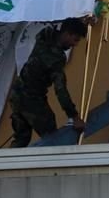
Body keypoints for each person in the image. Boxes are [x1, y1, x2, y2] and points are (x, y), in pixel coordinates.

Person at [8, 18, 88, 147]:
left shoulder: (44, 38)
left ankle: (7, 165)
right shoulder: (55, 58)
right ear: (67, 34)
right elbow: (61, 90)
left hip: (16, 95)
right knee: (52, 138)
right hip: (32, 99)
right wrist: (75, 117)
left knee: (21, 139)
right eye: (75, 39)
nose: (75, 44)